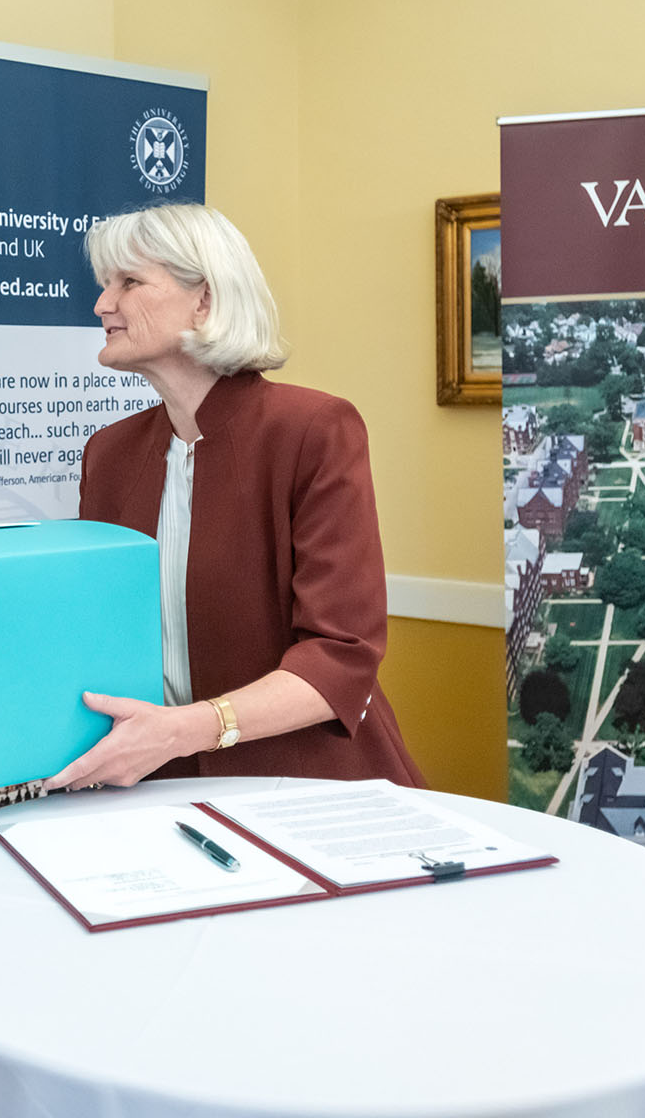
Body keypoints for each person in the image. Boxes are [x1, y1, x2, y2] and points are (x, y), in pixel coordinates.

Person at [47, 204, 423, 791]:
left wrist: (185, 729)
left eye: (129, 282)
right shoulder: (109, 454)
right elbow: (95, 632)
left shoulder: (314, 430)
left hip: (306, 785)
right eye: (104, 285)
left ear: (205, 300)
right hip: (152, 787)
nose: (102, 304)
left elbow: (341, 654)